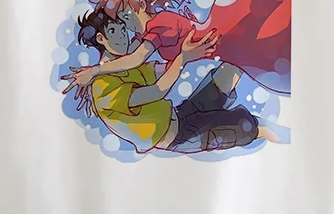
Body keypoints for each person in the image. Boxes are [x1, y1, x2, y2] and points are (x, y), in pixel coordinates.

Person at [64, 0, 293, 99]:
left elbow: (136, 58)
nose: (126, 25)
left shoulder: (160, 24)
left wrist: (95, 71)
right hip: (232, 48)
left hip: (229, 35)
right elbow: (131, 54)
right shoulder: (151, 31)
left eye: (125, 15)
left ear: (140, 5)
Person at [65, 8, 278, 154]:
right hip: (178, 136)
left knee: (228, 70)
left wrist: (188, 51)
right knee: (248, 126)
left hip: (180, 114)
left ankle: (262, 38)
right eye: (113, 31)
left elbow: (162, 70)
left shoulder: (125, 65)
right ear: (100, 39)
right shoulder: (102, 87)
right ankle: (283, 137)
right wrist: (182, 58)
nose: (123, 35)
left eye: (122, 28)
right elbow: (157, 91)